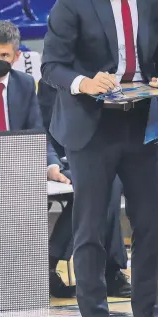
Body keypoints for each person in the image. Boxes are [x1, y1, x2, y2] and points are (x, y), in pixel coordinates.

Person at [41, 0, 158, 317]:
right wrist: (86, 82)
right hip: (90, 125)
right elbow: (52, 66)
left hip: (140, 122)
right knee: (91, 232)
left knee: (147, 228)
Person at [0, 20, 76, 298]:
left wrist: (50, 165)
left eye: (4, 55)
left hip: (19, 168)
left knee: (84, 190)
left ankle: (46, 265)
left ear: (16, 57)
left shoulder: (26, 83)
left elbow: (36, 131)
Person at [38, 78, 132, 298]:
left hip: (100, 155)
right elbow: (40, 128)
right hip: (63, 160)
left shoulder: (108, 76)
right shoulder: (53, 79)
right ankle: (109, 270)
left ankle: (53, 264)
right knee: (94, 184)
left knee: (108, 180)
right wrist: (51, 163)